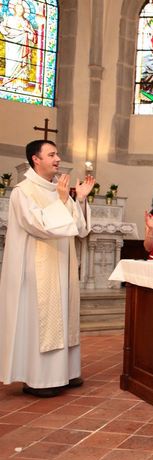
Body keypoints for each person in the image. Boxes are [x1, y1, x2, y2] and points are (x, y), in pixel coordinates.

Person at [0, 140, 94, 397]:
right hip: (37, 268)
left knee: (64, 316)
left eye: (57, 154)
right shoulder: (23, 191)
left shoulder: (57, 189)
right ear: (35, 159)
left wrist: (80, 199)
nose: (57, 158)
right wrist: (63, 201)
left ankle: (65, 372)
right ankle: (39, 379)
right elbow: (38, 225)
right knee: (42, 321)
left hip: (62, 264)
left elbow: (80, 228)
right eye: (51, 154)